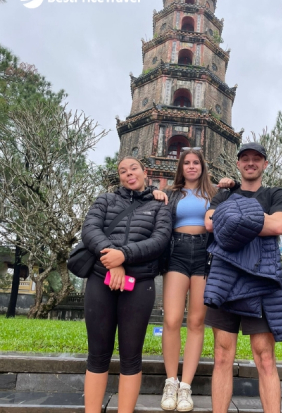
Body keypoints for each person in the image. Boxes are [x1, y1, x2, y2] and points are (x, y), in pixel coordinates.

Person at [204, 142, 282, 413]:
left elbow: (279, 224)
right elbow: (209, 222)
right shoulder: (224, 193)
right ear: (239, 164)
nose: (251, 163)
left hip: (261, 280)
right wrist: (257, 221)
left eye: (257, 159)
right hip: (224, 279)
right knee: (221, 355)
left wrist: (231, 220)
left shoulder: (276, 193)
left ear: (265, 164)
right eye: (245, 159)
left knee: (265, 358)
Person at [81, 157, 172, 413]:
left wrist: (125, 255)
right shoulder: (105, 200)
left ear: (145, 172)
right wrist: (114, 259)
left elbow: (160, 240)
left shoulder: (159, 205)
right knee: (98, 353)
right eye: (123, 171)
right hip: (102, 279)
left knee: (131, 355)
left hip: (140, 283)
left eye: (133, 169)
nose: (128, 174)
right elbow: (90, 230)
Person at [153, 150, 233, 411]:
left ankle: (186, 386)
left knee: (197, 321)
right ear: (181, 167)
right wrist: (153, 193)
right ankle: (171, 381)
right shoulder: (172, 193)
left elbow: (238, 200)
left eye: (195, 162)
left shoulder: (214, 194)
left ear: (202, 167)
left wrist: (231, 183)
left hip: (204, 253)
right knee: (172, 319)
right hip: (176, 250)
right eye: (186, 163)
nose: (191, 166)